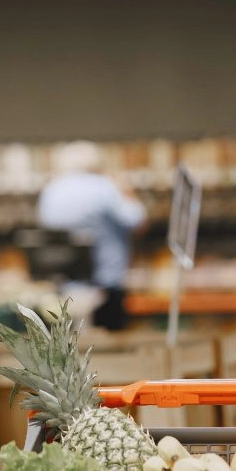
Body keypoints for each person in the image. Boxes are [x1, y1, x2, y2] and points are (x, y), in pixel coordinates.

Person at [37, 140, 147, 331]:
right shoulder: (104, 187)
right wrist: (127, 190)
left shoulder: (51, 191)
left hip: (64, 287)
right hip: (104, 286)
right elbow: (137, 221)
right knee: (109, 350)